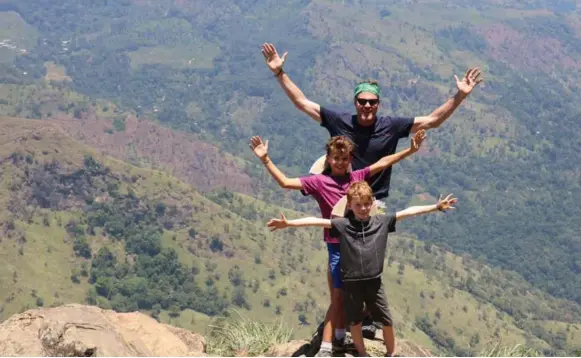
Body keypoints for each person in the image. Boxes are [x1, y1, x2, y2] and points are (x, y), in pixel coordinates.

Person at [261, 41, 482, 336]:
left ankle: (358, 322)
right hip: (338, 202)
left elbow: (432, 121)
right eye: (362, 101)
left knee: (368, 266)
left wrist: (460, 96)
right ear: (355, 102)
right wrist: (280, 73)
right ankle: (339, 328)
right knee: (338, 268)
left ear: (378, 104)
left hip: (370, 205)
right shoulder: (340, 121)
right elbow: (303, 103)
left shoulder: (390, 126)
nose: (367, 106)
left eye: (372, 102)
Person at [249, 131, 426, 356]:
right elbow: (285, 182)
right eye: (336, 158)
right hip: (336, 247)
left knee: (356, 294)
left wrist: (410, 150)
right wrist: (265, 159)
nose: (340, 162)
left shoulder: (357, 177)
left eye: (345, 158)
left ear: (350, 159)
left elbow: (382, 163)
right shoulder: (319, 182)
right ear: (328, 158)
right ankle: (326, 346)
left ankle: (341, 336)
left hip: (361, 246)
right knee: (339, 295)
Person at [266, 181, 458, 357]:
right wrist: (289, 223)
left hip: (375, 283)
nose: (363, 209)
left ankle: (392, 353)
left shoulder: (381, 222)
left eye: (367, 204)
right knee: (355, 322)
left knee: (386, 320)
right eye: (358, 205)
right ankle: (362, 354)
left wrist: (435, 207)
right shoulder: (344, 225)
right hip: (352, 284)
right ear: (350, 206)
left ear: (372, 203)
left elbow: (408, 212)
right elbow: (317, 221)